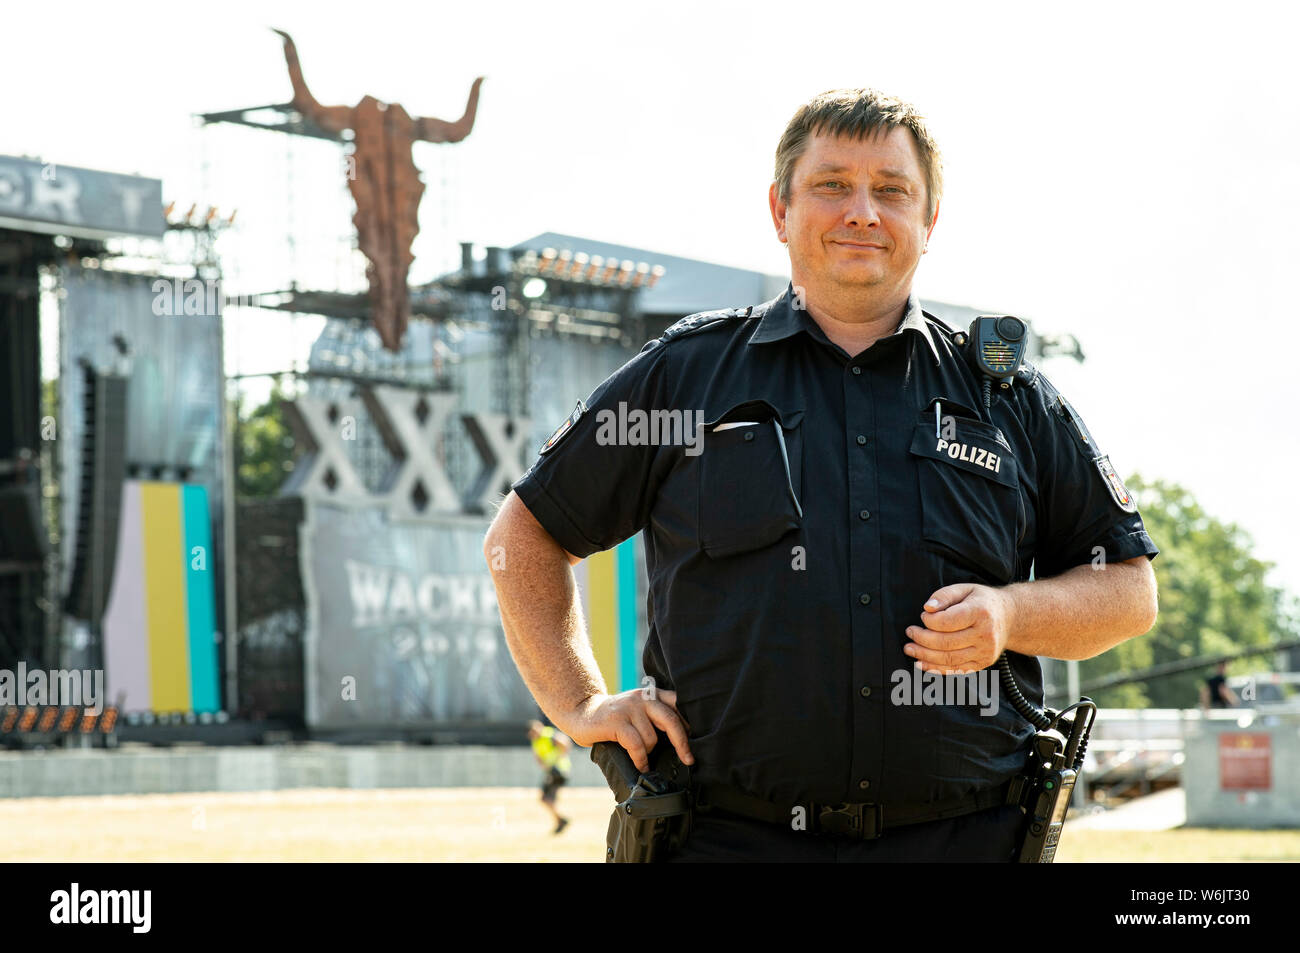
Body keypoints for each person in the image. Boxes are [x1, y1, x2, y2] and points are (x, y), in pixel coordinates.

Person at [485, 88, 1159, 862]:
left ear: (928, 221)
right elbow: (524, 536)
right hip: (727, 838)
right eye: (833, 184)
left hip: (966, 838)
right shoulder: (684, 378)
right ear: (780, 210)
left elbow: (1128, 590)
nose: (863, 212)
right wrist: (580, 702)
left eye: (892, 190)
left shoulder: (1010, 398)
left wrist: (1010, 615)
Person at [527, 719, 572, 833]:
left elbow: (566, 743)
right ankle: (560, 820)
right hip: (552, 771)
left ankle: (561, 820)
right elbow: (538, 756)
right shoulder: (536, 741)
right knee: (545, 799)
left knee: (547, 799)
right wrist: (544, 765)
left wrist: (558, 758)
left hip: (559, 771)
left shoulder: (548, 734)